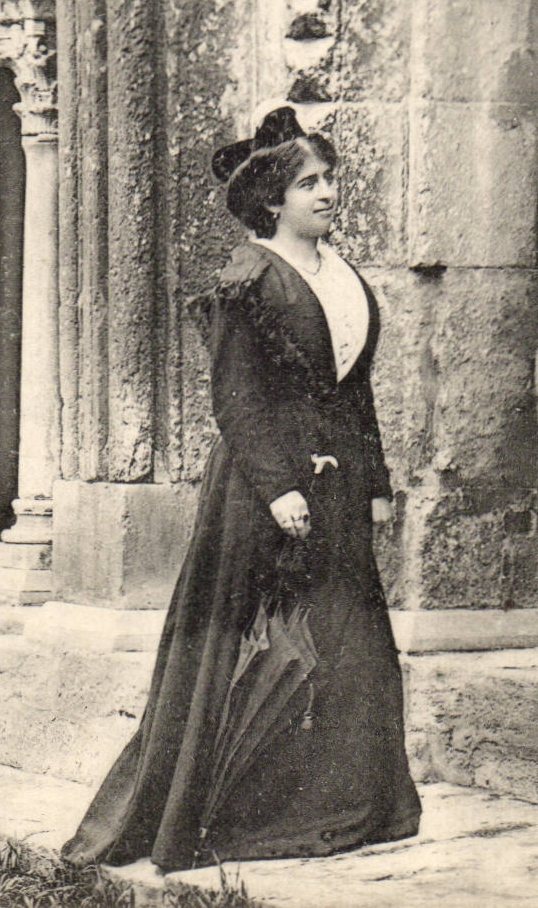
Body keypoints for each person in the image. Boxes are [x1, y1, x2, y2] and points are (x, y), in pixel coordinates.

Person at [62, 106, 421, 871]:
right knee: (253, 646)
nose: (326, 192)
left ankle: (342, 805)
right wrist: (278, 487)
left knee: (347, 643)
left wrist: (376, 482)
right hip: (263, 490)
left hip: (337, 486)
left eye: (328, 178)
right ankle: (220, 812)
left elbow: (353, 393)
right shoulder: (247, 277)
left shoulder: (342, 275)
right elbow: (235, 398)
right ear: (271, 200)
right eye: (308, 183)